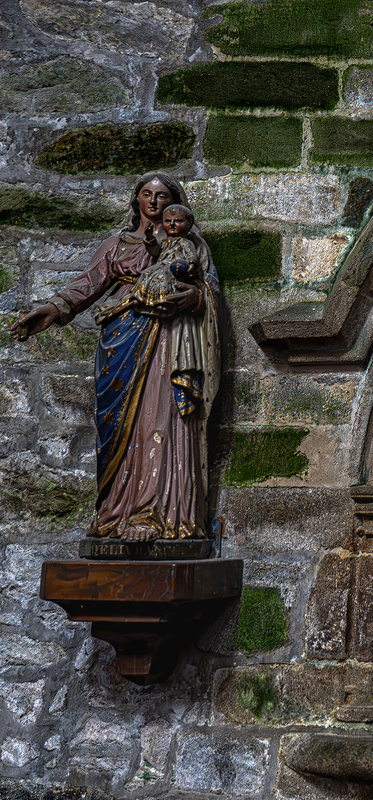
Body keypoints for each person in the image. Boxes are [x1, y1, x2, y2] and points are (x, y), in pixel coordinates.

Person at [11, 174, 221, 543]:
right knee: (118, 424)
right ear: (136, 200)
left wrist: (196, 298)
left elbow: (210, 291)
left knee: (160, 417)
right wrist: (53, 308)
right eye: (147, 194)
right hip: (121, 339)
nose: (154, 203)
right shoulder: (117, 244)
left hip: (167, 337)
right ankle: (115, 512)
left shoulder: (190, 246)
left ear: (176, 204)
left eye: (162, 196)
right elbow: (87, 283)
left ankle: (159, 514)